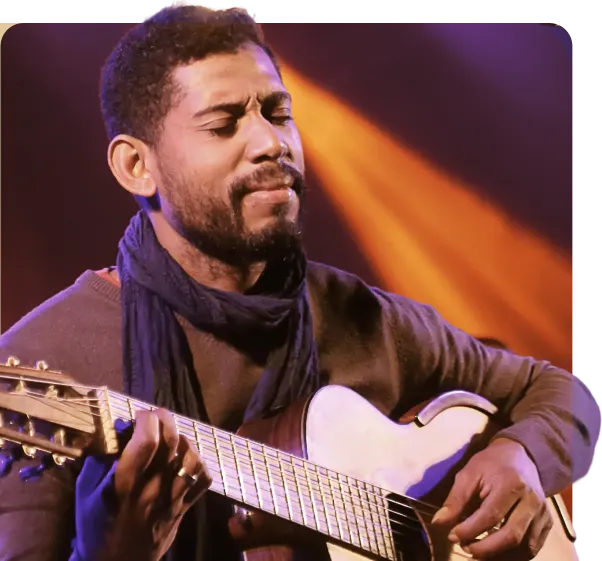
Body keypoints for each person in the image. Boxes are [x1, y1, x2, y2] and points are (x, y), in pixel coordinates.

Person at [0, 3, 596, 561]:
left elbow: (571, 397)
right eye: (224, 124)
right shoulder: (41, 360)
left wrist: (523, 455)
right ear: (137, 165)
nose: (271, 142)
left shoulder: (369, 320)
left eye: (278, 112)